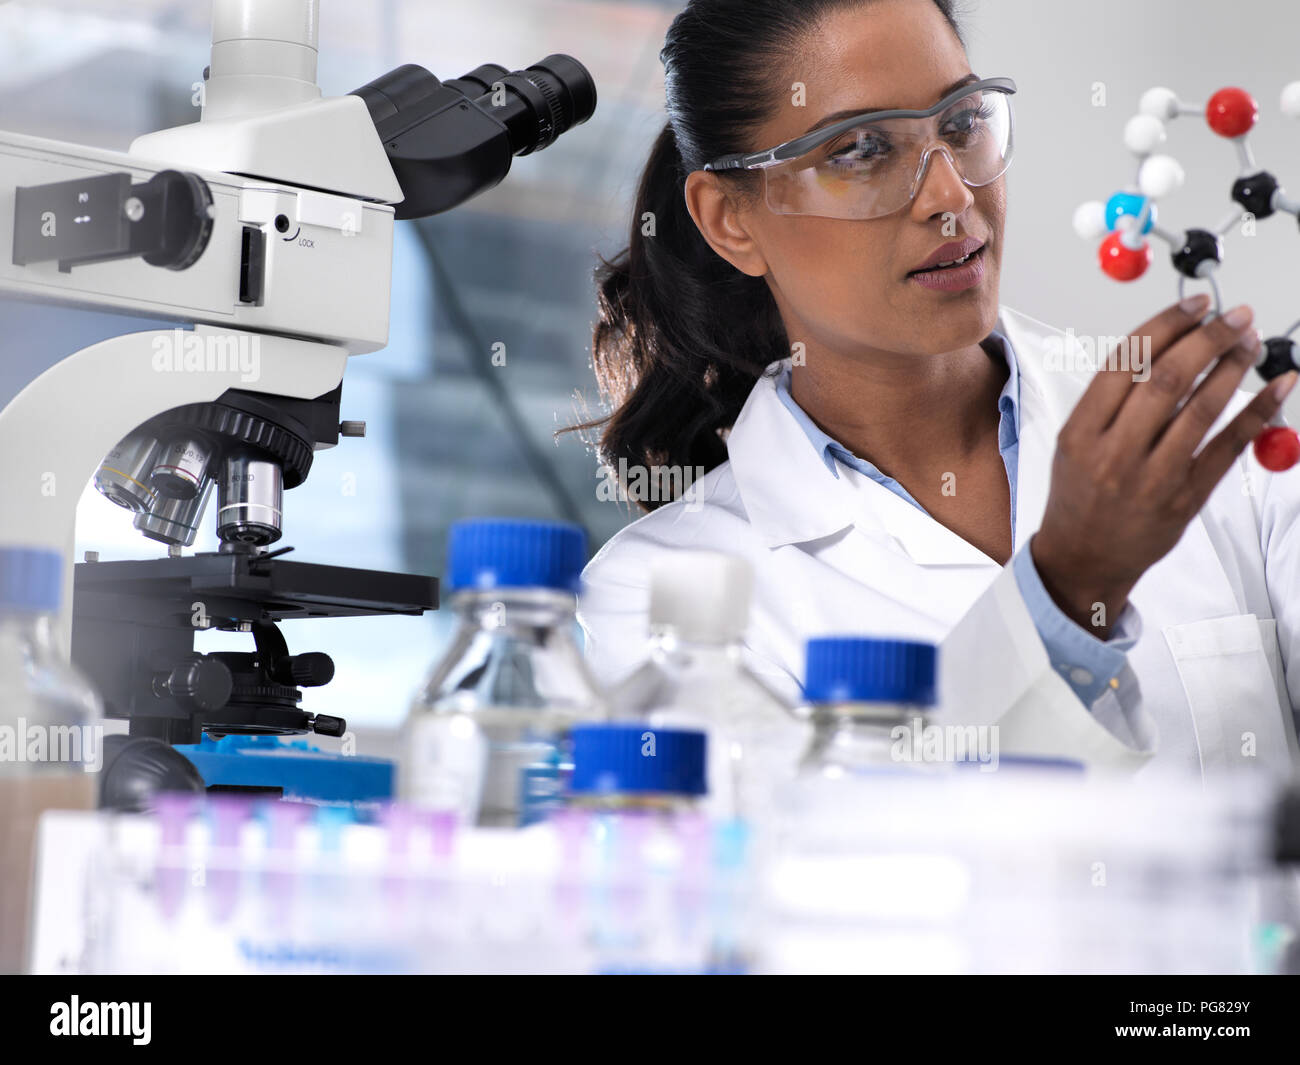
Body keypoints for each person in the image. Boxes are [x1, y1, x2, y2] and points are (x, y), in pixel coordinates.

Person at [571, 0, 1300, 776]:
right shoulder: (661, 598)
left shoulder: (1209, 427)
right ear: (730, 220)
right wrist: (1067, 587)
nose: (950, 196)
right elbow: (832, 880)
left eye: (962, 122)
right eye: (860, 149)